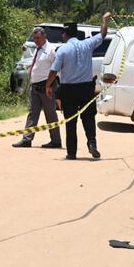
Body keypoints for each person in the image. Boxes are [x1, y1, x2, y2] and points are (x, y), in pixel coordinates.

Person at [46, 12, 111, 160]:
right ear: (76, 33)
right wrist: (104, 21)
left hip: (68, 90)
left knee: (70, 121)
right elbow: (102, 34)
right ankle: (92, 144)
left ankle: (71, 153)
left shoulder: (62, 50)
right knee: (88, 118)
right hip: (86, 89)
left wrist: (48, 86)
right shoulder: (87, 44)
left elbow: (53, 71)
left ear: (64, 34)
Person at [12, 27, 62, 149]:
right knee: (32, 113)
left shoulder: (51, 50)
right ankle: (27, 139)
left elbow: (55, 69)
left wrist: (49, 85)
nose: (36, 40)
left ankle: (56, 141)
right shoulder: (37, 49)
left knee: (50, 114)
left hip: (47, 86)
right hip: (35, 86)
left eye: (38, 38)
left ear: (45, 36)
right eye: (34, 38)